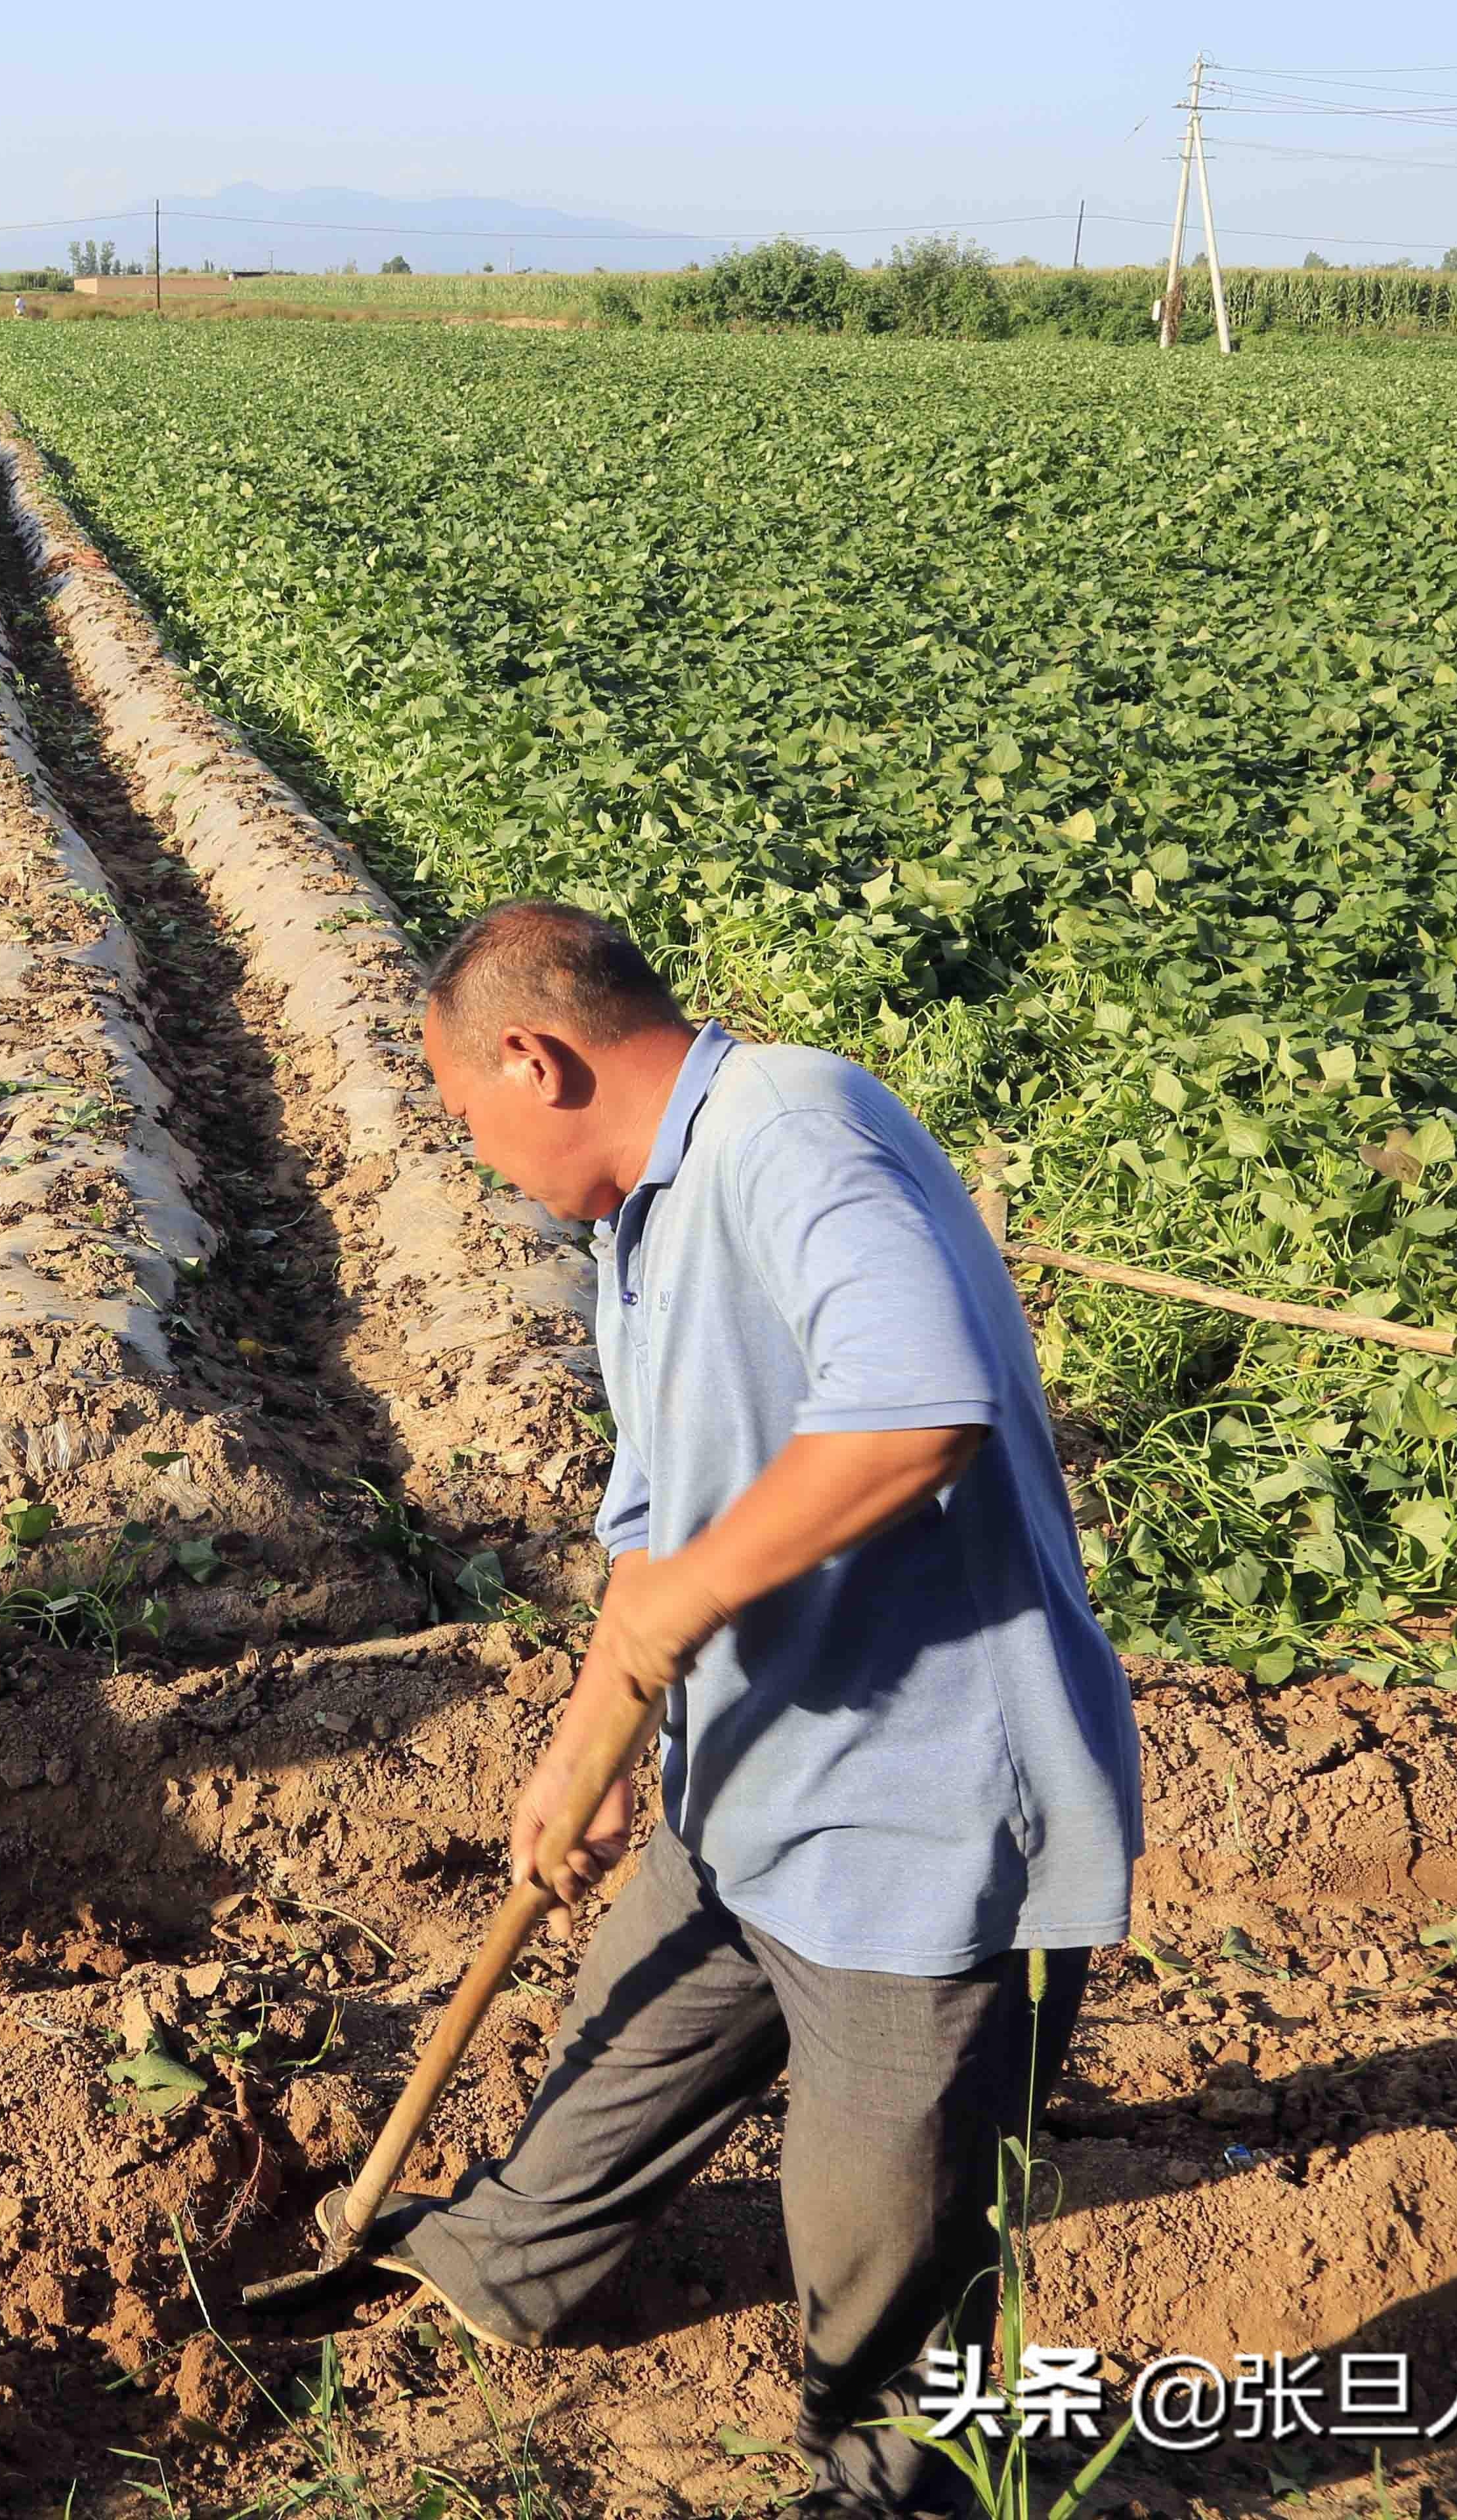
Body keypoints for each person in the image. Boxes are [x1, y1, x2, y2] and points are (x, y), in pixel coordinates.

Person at [341, 900, 1141, 2518]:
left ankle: (904, 2479)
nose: (477, 1154)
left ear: (531, 1058)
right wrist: (593, 1735)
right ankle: (499, 2271)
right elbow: (655, 1527)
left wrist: (678, 1613)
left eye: (464, 1116)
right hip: (750, 1782)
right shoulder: (640, 1225)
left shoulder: (790, 1124)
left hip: (919, 1822)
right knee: (606, 2059)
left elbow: (922, 1404)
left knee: (889, 2238)